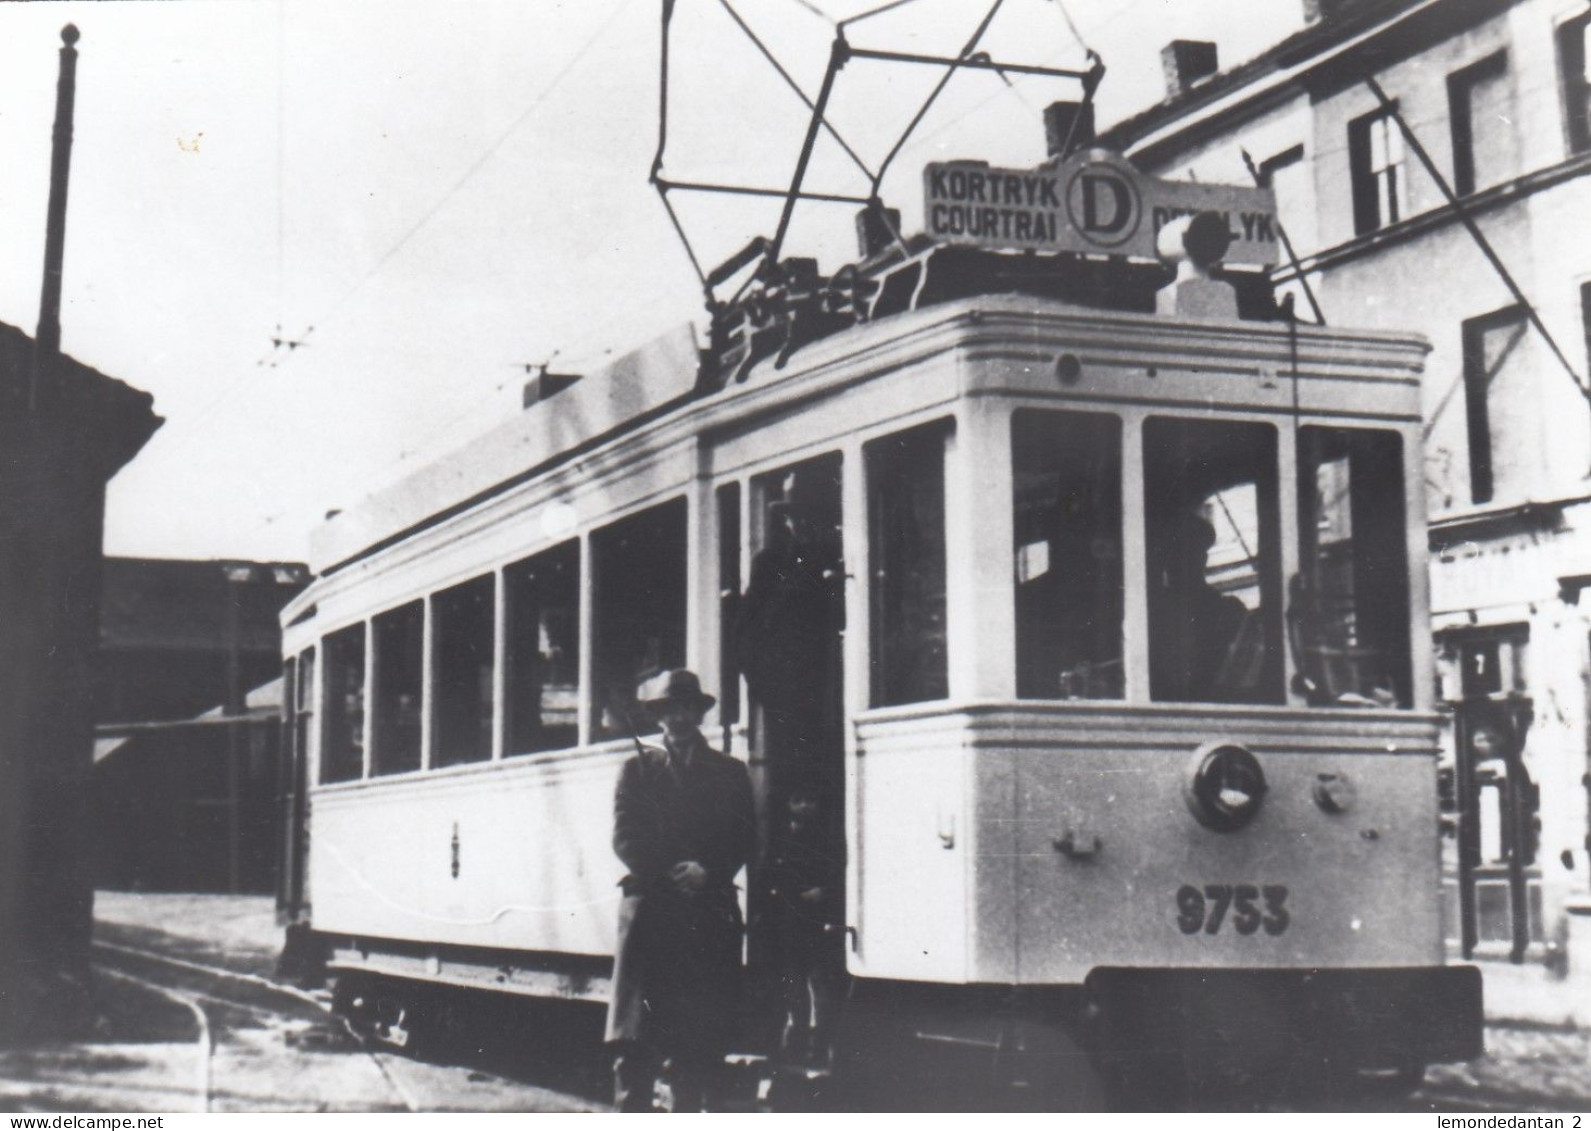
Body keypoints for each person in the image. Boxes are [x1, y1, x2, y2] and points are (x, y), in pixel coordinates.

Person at [605, 669, 756, 1112]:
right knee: (637, 1044)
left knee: (699, 1042)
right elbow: (625, 837)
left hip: (706, 915)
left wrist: (708, 871)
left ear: (700, 714)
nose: (680, 718)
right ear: (659, 718)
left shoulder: (730, 773)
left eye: (689, 709)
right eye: (671, 710)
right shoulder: (636, 771)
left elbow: (745, 836)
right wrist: (670, 871)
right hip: (652, 914)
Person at [763, 780, 845, 1070]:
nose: (805, 806)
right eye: (798, 799)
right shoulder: (781, 836)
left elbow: (836, 871)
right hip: (790, 919)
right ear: (788, 804)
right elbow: (772, 873)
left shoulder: (827, 835)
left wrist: (823, 892)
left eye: (811, 800)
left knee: (818, 983)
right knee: (793, 982)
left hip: (817, 918)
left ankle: (817, 1044)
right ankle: (794, 1040)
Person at [1147, 509, 1250, 702]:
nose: (1178, 561)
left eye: (1191, 552)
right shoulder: (1152, 613)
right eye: (1174, 553)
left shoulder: (1228, 610)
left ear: (1202, 558)